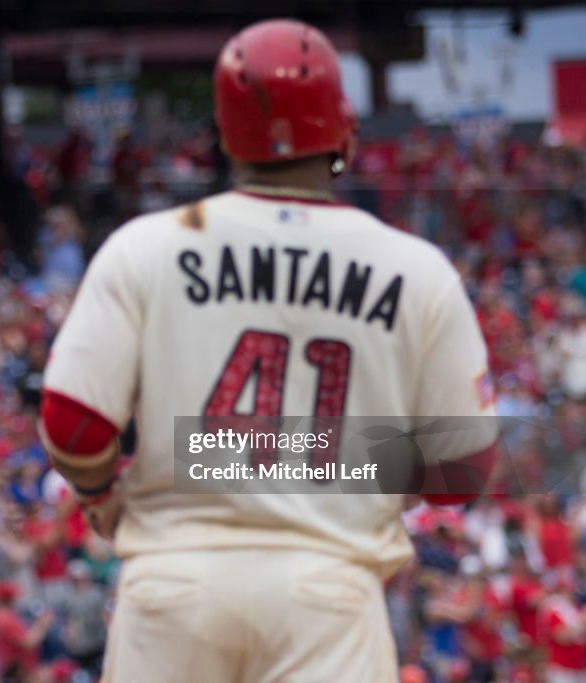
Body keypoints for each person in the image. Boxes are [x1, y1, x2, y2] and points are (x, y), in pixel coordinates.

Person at [38, 19, 499, 683]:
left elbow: (71, 420)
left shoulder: (147, 243)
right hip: (328, 594)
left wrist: (101, 494)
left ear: (227, 133)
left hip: (174, 584)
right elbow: (463, 464)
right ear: (343, 128)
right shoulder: (416, 267)